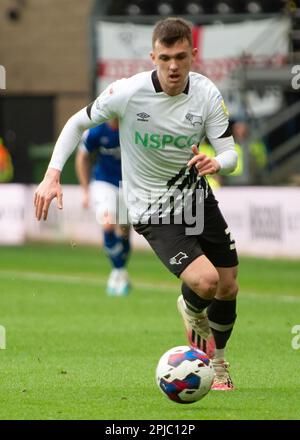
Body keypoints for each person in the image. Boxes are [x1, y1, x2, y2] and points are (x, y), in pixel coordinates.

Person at [34, 17, 239, 390]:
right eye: (164, 58)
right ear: (153, 57)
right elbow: (77, 123)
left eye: (180, 57)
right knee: (205, 282)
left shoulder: (208, 94)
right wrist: (52, 174)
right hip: (151, 208)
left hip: (197, 200)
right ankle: (196, 320)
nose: (173, 66)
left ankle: (220, 361)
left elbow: (230, 154)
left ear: (193, 55)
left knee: (228, 286)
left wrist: (217, 162)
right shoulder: (127, 93)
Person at [75, 119, 131, 296]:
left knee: (124, 230)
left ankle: (119, 272)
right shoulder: (96, 132)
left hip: (129, 186)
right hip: (103, 182)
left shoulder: (134, 126)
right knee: (107, 223)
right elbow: (82, 157)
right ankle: (119, 271)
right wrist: (85, 190)